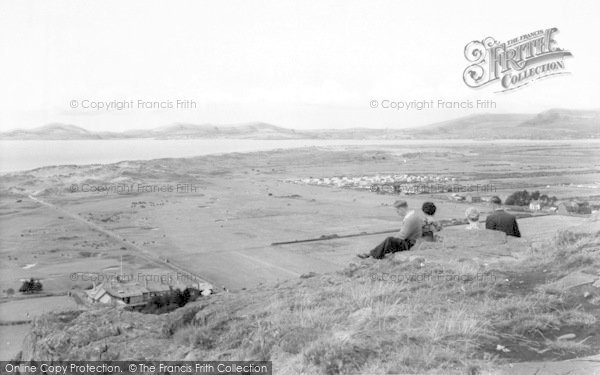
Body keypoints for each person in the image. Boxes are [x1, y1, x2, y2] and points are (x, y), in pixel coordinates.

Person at [357, 200, 423, 259]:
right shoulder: (413, 216)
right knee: (390, 240)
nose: (397, 213)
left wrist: (393, 239)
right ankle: (372, 253)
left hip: (410, 244)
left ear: (402, 209)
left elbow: (402, 236)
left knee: (389, 240)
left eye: (397, 211)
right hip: (413, 241)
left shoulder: (410, 219)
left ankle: (371, 254)